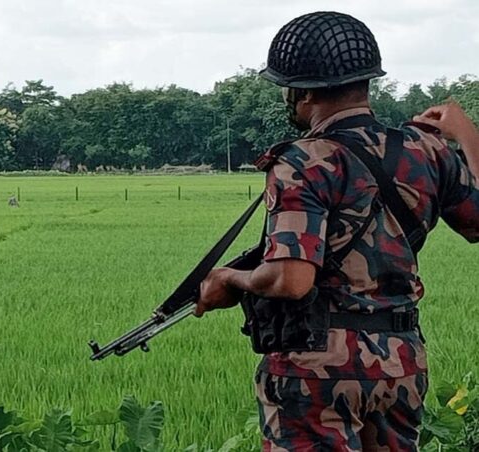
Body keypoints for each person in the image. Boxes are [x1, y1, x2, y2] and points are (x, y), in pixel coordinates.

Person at [193, 11, 479, 451]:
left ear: (303, 92)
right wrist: (469, 136)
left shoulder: (303, 161)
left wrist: (229, 279)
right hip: (400, 365)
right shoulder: (426, 149)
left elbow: (291, 279)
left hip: (317, 372)